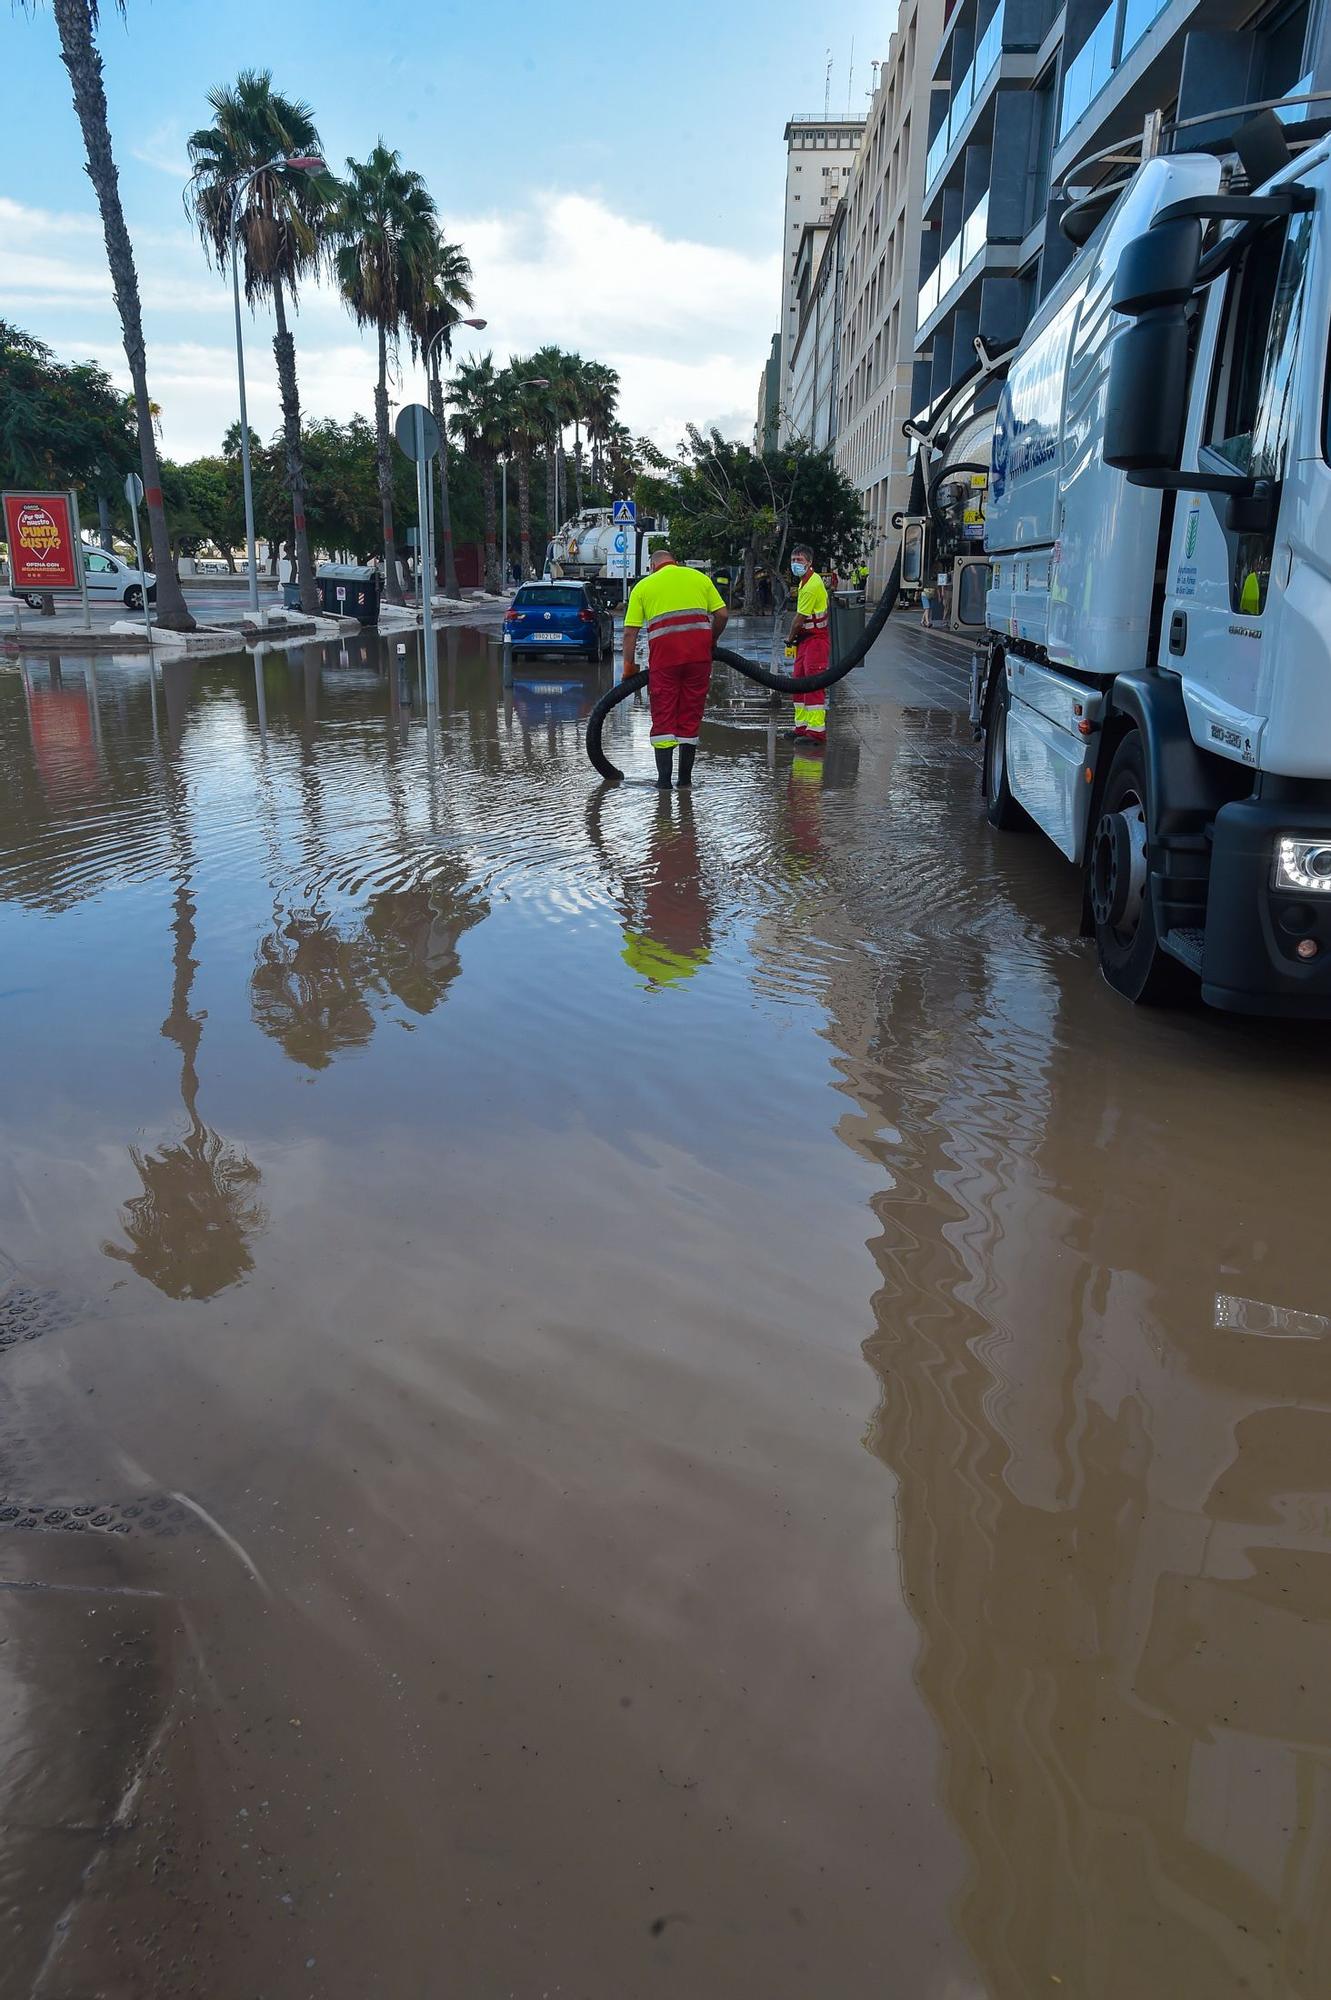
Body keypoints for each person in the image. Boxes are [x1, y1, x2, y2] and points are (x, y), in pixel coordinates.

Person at [621, 547, 728, 788]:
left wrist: (629, 667)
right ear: (675, 562)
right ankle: (685, 782)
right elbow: (722, 614)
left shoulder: (644, 587)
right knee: (690, 716)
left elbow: (630, 633)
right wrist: (711, 640)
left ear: (652, 566)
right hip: (699, 660)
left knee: (664, 718)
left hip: (664, 663)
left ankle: (663, 784)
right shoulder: (699, 579)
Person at [784, 543, 830, 745]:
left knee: (813, 684)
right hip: (805, 641)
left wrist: (789, 637)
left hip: (816, 641)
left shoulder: (811, 585)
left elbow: (799, 619)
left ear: (809, 562)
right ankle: (802, 726)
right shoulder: (805, 581)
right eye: (793, 560)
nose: (795, 564)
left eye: (799, 560)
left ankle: (816, 732)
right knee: (798, 682)